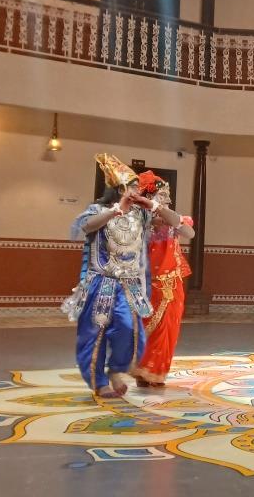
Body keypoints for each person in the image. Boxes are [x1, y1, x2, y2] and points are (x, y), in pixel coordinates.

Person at [61, 154, 182, 398]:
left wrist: (154, 206)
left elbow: (178, 223)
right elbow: (86, 227)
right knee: (95, 335)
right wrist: (117, 210)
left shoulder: (141, 215)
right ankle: (99, 382)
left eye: (138, 187)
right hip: (100, 283)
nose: (137, 191)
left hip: (128, 286)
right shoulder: (98, 210)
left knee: (129, 330)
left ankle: (116, 370)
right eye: (133, 187)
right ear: (119, 188)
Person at [132, 172, 195, 387]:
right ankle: (143, 369)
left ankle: (157, 372)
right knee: (151, 325)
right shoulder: (140, 220)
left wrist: (159, 207)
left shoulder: (173, 218)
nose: (168, 199)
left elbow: (189, 232)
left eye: (168, 195)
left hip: (173, 279)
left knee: (170, 327)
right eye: (162, 195)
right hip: (149, 282)